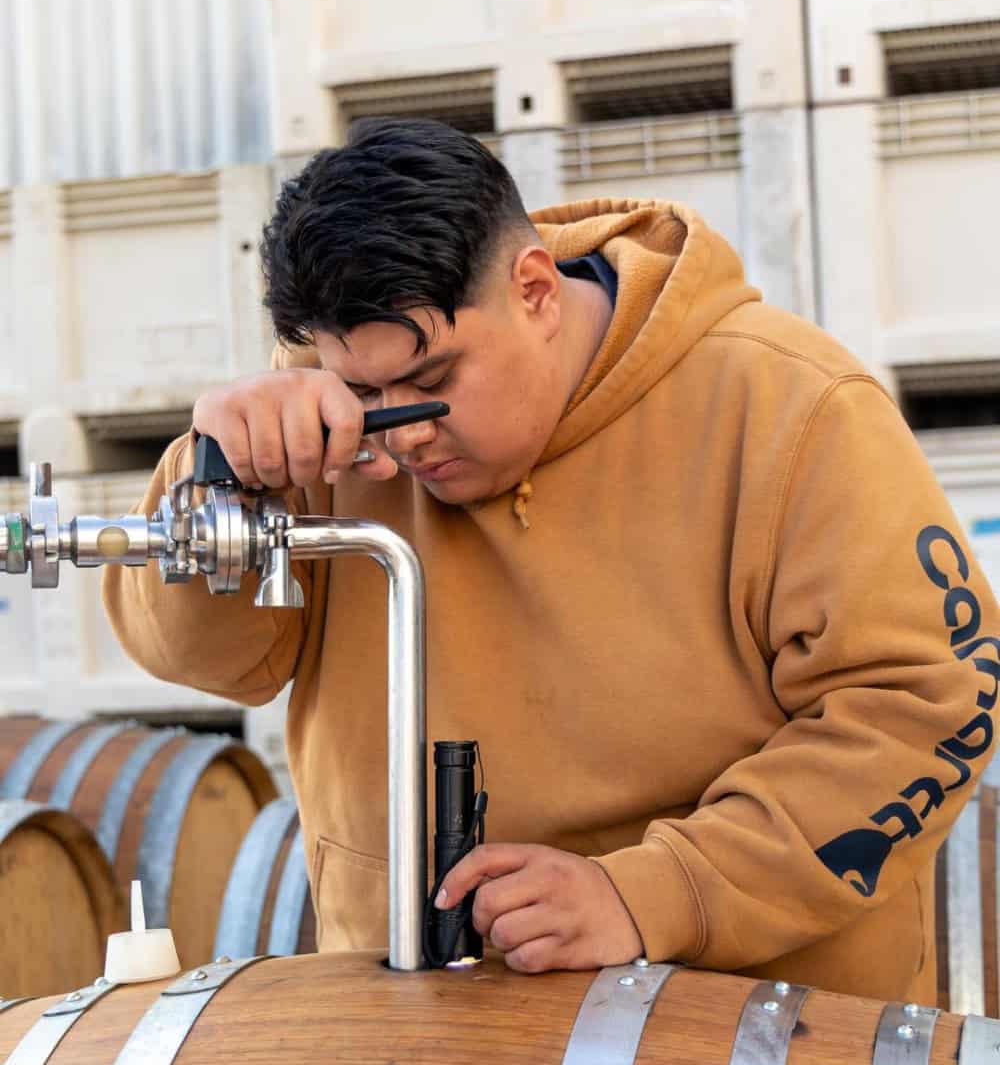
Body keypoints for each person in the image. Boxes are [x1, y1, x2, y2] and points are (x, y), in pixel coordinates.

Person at [103, 117, 1000, 1002]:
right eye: (364, 389)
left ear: (535, 289)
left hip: (754, 1050)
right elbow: (198, 658)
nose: (402, 432)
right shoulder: (323, 434)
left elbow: (923, 705)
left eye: (434, 382)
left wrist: (654, 894)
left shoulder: (791, 407)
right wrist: (219, 480)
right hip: (413, 1030)